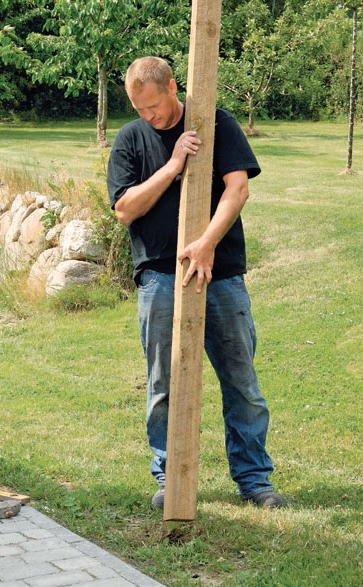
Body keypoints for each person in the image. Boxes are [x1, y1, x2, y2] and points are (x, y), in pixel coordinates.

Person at [107, 56, 284, 510]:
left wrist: (206, 243)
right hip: (159, 276)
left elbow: (238, 189)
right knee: (163, 385)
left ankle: (254, 481)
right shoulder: (131, 139)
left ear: (172, 87)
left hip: (220, 274)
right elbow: (125, 209)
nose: (149, 116)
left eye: (154, 106)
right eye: (140, 109)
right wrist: (172, 165)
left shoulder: (217, 124)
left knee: (241, 382)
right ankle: (170, 479)